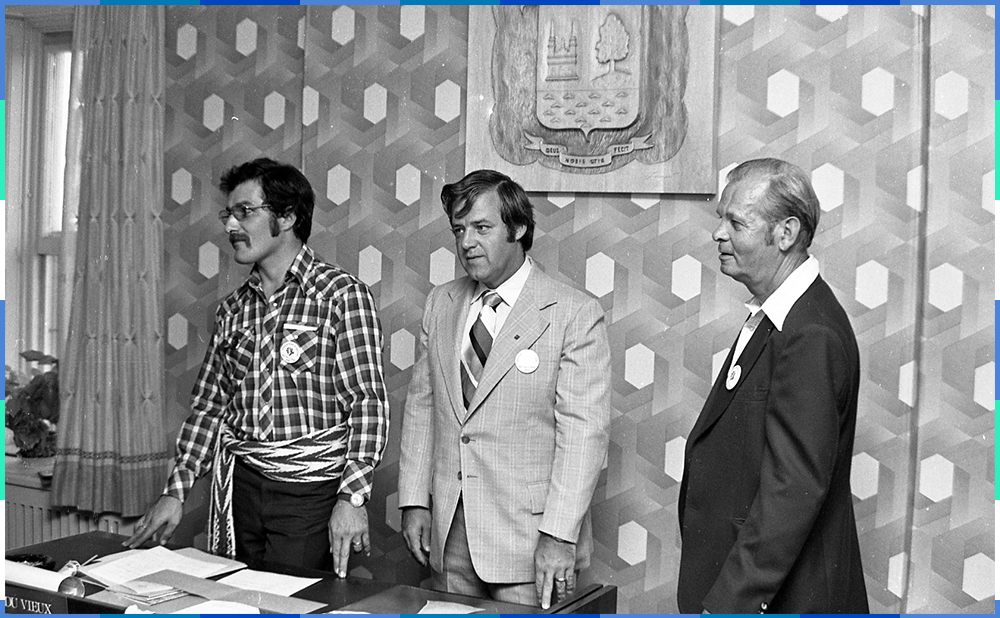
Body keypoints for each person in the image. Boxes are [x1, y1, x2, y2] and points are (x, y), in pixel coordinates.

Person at [126, 158, 389, 577]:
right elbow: (211, 408)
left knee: (291, 605)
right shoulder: (232, 310)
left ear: (287, 216)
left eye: (245, 212)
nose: (231, 225)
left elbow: (367, 403)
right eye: (228, 213)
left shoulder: (341, 295)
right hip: (242, 489)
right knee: (237, 600)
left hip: (309, 494)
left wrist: (352, 499)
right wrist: (175, 493)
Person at [397, 170, 610, 609]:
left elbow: (583, 436)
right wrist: (414, 501)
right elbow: (423, 407)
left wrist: (558, 536)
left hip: (530, 542)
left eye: (482, 228)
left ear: (518, 228)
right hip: (451, 532)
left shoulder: (572, 313)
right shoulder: (442, 302)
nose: (467, 243)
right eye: (459, 230)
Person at [677, 158, 869, 613]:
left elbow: (791, 490)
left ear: (785, 233)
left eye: (736, 222)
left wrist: (728, 604)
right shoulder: (780, 317)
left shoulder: (809, 334)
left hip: (780, 599)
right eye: (720, 218)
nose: (718, 233)